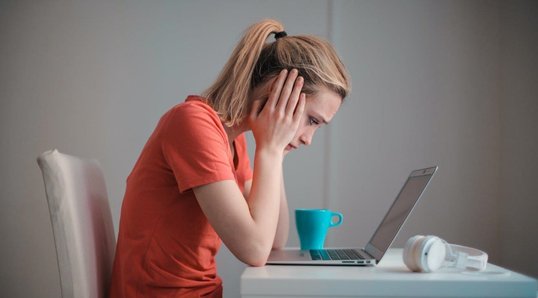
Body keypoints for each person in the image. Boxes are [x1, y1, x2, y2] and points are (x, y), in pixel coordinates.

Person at [109, 19, 350, 297]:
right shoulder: (192, 123)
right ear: (278, 91)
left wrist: (277, 152)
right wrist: (269, 150)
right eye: (311, 120)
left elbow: (273, 240)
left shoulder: (234, 141)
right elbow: (255, 250)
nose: (309, 138)